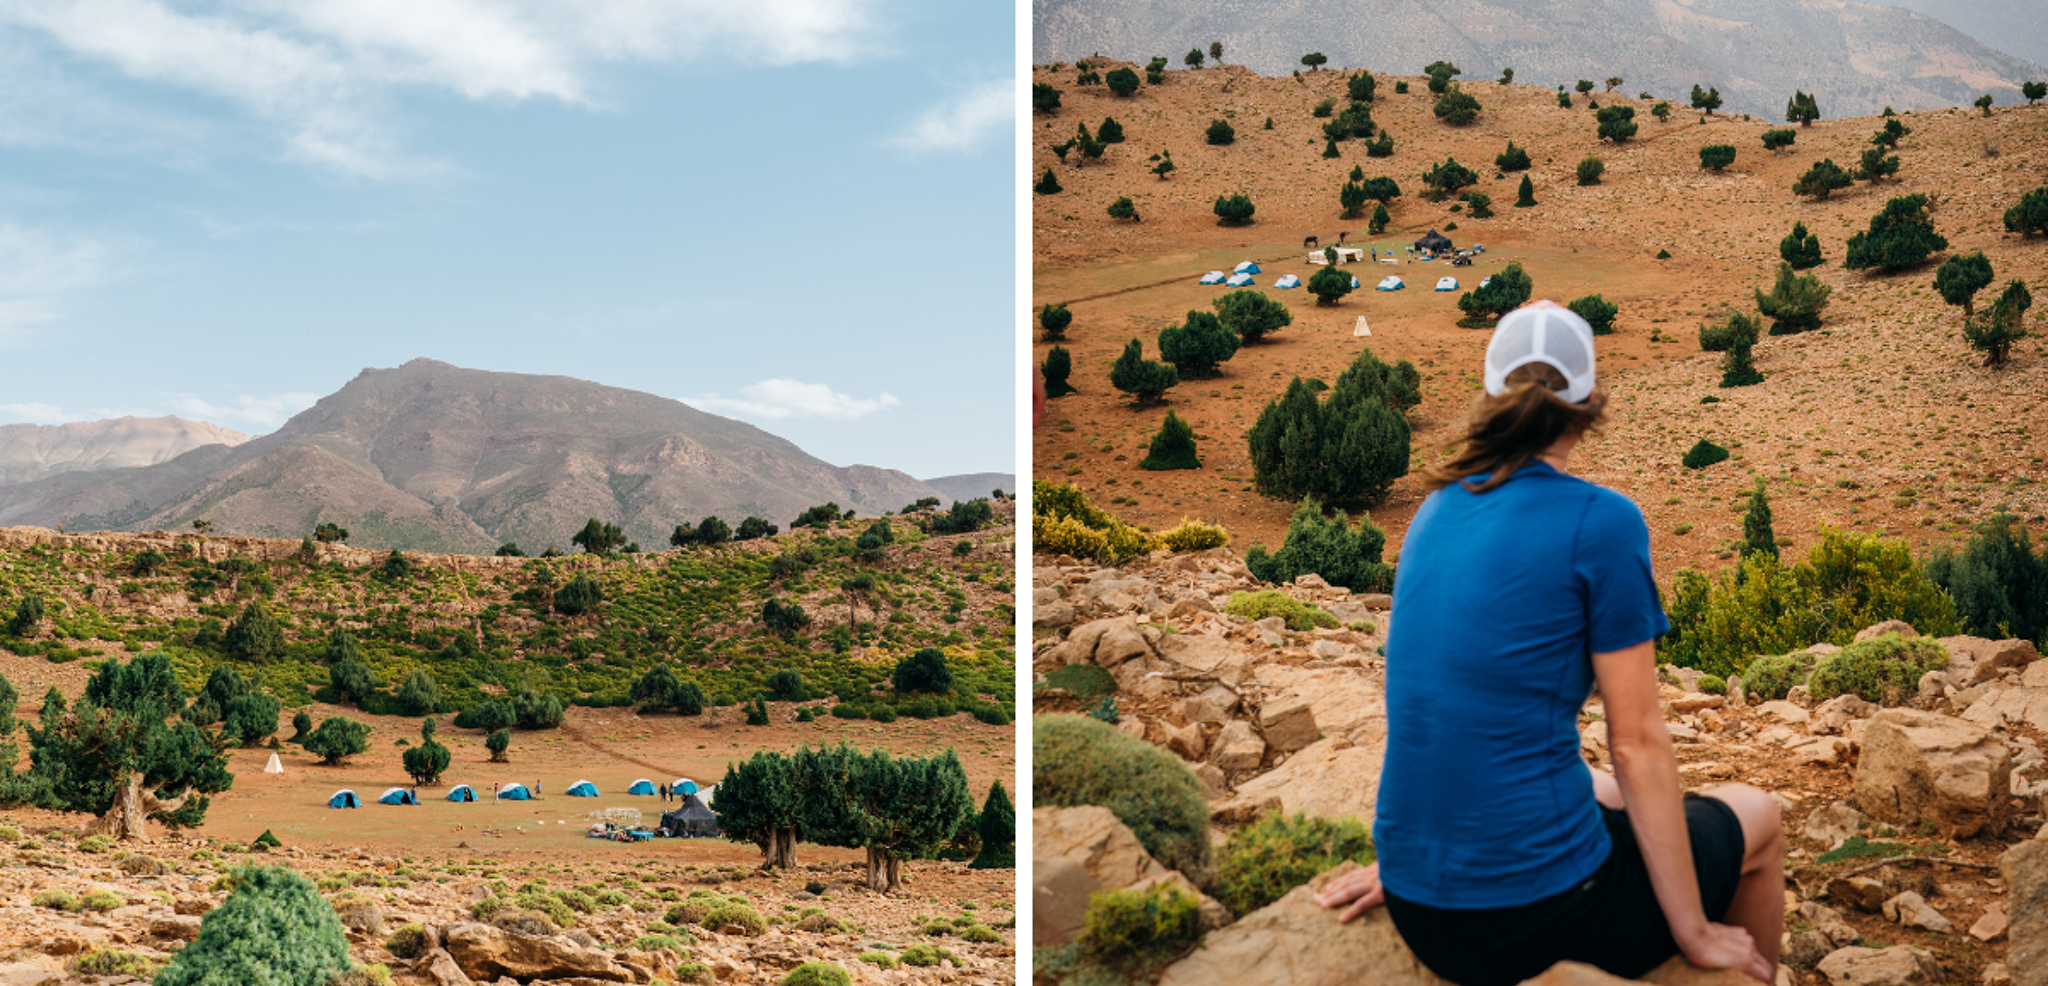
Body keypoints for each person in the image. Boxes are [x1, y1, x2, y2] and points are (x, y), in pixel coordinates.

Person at [1317, 301, 1782, 986]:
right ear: (1590, 401)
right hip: (1537, 911)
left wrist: (1420, 860)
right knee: (1760, 816)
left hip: (1420, 902)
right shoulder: (1603, 521)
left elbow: (1439, 703)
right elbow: (1636, 743)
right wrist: (1694, 931)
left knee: (1604, 791)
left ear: (1490, 395)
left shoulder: (1435, 507)